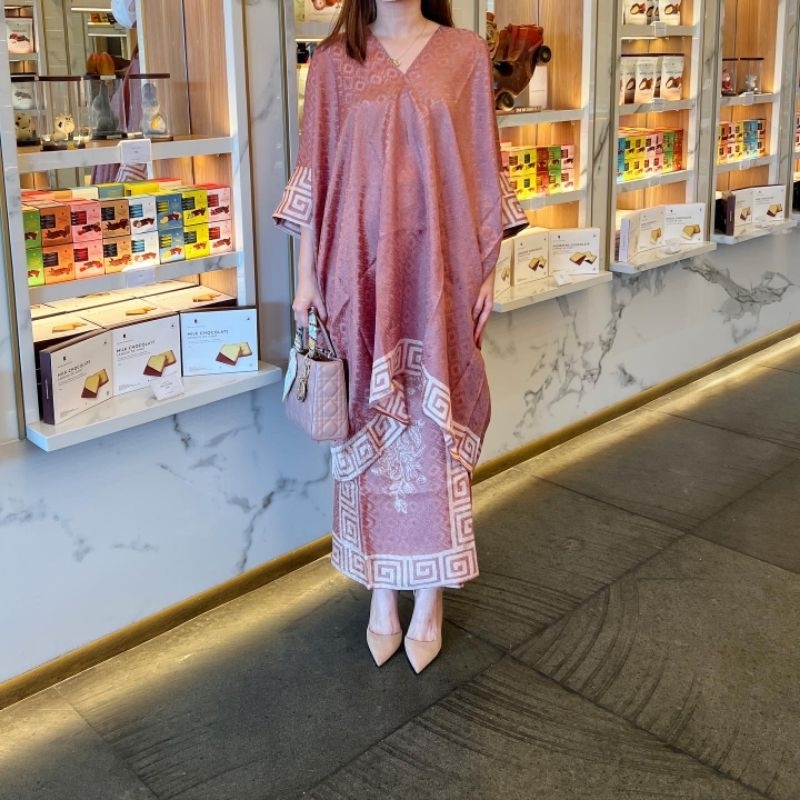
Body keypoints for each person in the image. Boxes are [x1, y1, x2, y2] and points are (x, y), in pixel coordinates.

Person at [273, 0, 527, 673]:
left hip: (442, 271)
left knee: (432, 429)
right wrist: (305, 281)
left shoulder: (465, 54)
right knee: (370, 424)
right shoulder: (333, 64)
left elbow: (482, 164)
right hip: (357, 275)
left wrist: (488, 272)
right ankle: (382, 590)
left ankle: (430, 595)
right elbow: (315, 173)